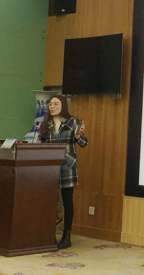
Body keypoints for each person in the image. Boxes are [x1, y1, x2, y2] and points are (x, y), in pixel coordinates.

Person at [38, 95, 87, 249]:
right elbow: (41, 146)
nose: (52, 107)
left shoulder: (73, 122)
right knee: (50, 202)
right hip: (51, 168)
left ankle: (66, 235)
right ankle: (48, 234)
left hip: (68, 167)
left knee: (67, 201)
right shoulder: (45, 124)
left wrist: (78, 136)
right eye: (50, 104)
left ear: (63, 106)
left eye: (56, 104)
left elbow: (83, 143)